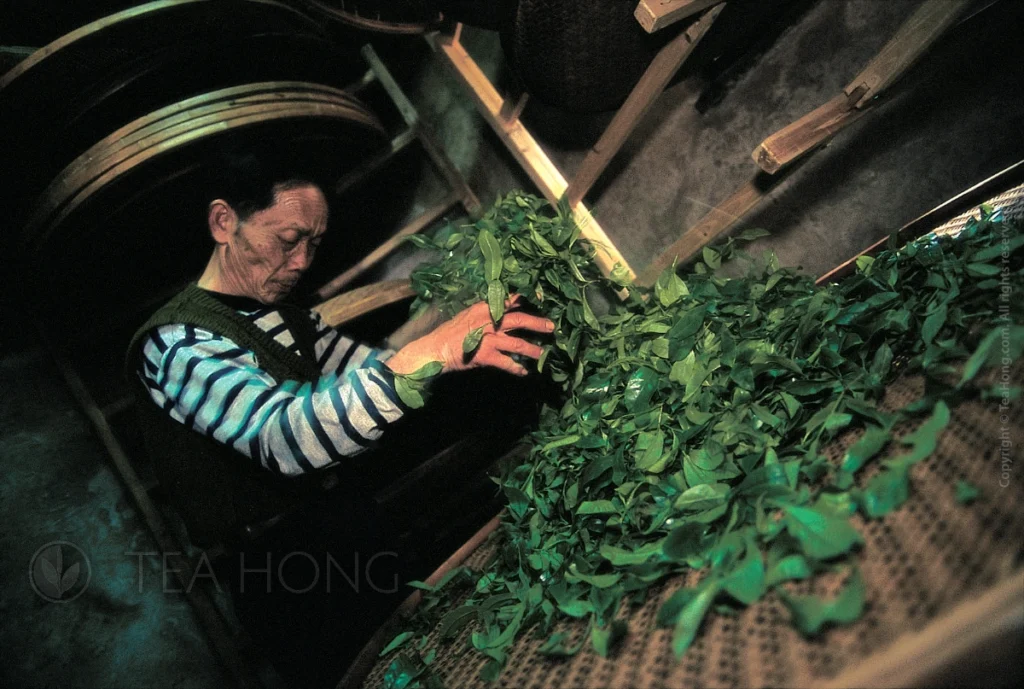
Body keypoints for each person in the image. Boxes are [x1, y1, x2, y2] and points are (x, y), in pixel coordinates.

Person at [125, 150, 554, 687]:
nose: (302, 262)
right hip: (280, 566)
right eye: (287, 240)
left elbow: (364, 370)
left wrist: (456, 352)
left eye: (314, 244)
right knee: (350, 670)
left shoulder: (289, 317)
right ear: (223, 221)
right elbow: (283, 437)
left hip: (338, 520)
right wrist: (427, 353)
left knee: (413, 652)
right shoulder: (177, 343)